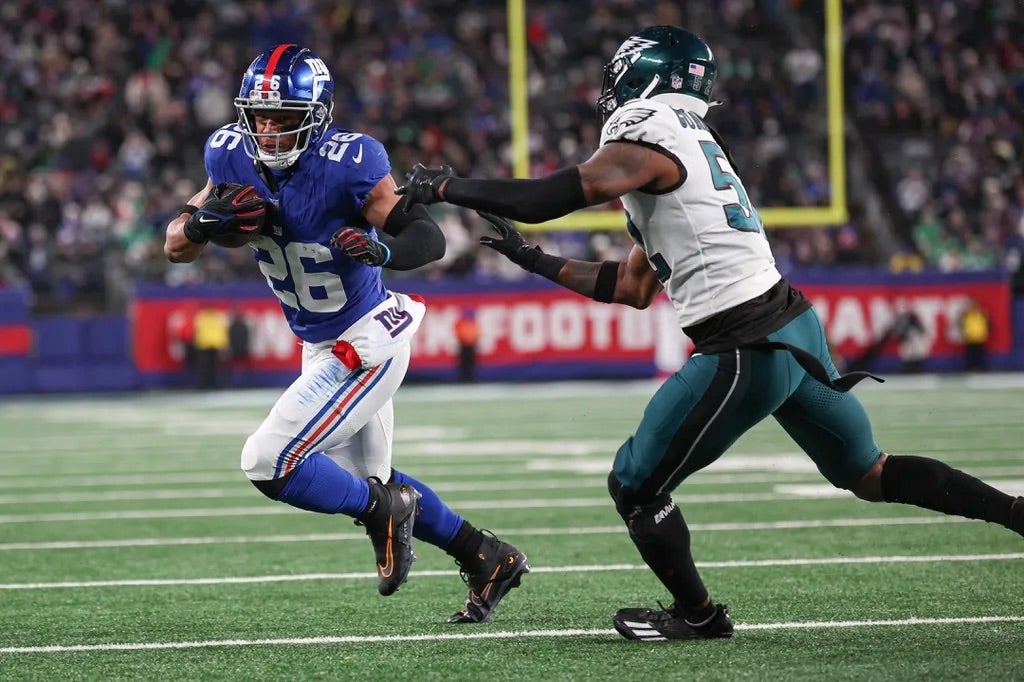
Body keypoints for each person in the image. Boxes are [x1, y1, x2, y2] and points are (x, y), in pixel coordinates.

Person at [398, 25, 1024, 641]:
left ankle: (698, 615)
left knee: (634, 484)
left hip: (745, 346)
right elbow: (632, 287)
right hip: (792, 327)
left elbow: (555, 193)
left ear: (645, 78)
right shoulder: (691, 145)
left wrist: (449, 187)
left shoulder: (650, 133)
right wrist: (535, 260)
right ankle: (1016, 515)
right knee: (870, 473)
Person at [164, 44, 528, 623]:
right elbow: (176, 244)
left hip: (367, 339)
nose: (269, 129)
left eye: (283, 117)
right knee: (370, 479)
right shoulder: (227, 154)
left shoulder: (349, 160)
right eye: (259, 116)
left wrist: (382, 247)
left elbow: (426, 237)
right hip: (318, 342)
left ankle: (383, 512)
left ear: (316, 115)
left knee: (269, 460)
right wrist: (206, 223)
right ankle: (486, 555)